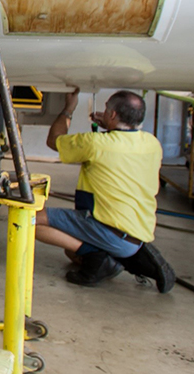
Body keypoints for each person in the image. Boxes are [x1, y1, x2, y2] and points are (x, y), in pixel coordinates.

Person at [39, 88, 175, 292]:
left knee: (28, 221)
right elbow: (120, 144)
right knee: (71, 253)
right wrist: (111, 128)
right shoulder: (152, 143)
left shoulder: (96, 144)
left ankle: (99, 257)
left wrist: (68, 109)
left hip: (110, 230)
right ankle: (121, 255)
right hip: (138, 232)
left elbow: (53, 140)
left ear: (112, 114)